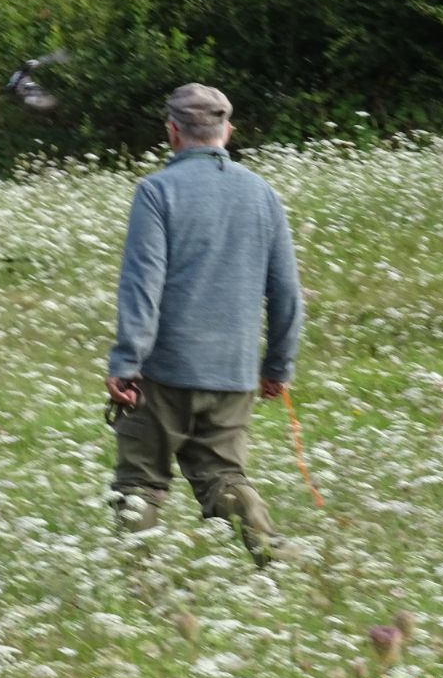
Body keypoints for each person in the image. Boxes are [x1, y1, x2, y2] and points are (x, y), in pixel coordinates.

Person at [106, 83, 303, 567]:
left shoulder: (155, 191)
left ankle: (140, 594)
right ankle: (277, 564)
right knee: (223, 480)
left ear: (172, 132)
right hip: (233, 374)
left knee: (140, 486)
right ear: (227, 131)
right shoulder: (263, 194)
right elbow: (287, 292)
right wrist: (277, 365)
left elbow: (143, 284)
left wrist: (126, 362)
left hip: (162, 374)